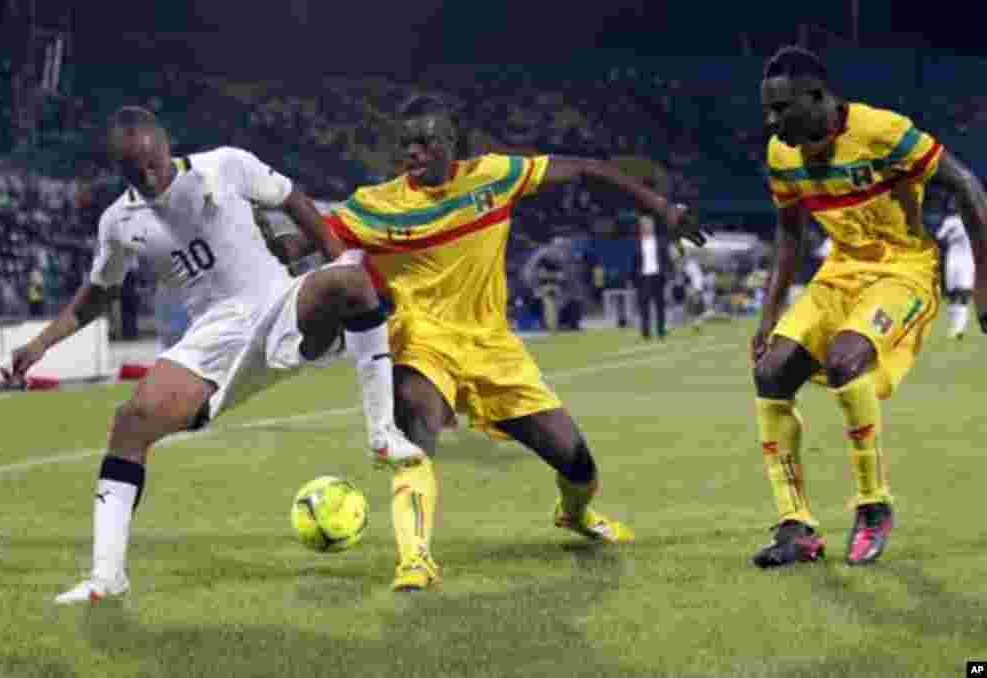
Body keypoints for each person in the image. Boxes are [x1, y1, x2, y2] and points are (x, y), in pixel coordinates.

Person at [2, 107, 424, 604]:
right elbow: (98, 294)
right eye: (135, 172)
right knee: (130, 423)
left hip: (279, 305)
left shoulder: (224, 165)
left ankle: (381, 434)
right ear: (120, 171)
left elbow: (294, 199)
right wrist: (39, 344)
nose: (149, 176)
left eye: (153, 163)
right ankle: (106, 576)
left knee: (353, 279)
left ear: (166, 146)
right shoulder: (119, 222)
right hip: (213, 340)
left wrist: (334, 257)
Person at [327, 95, 709, 591]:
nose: (414, 151)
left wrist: (662, 208)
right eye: (406, 144)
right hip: (421, 340)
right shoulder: (375, 206)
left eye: (426, 141)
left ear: (452, 145)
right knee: (415, 431)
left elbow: (589, 170)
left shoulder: (495, 176)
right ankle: (414, 559)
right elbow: (311, 237)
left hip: (494, 349)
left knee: (577, 463)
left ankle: (574, 514)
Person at [752, 46, 987, 569]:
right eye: (768, 110)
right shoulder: (781, 153)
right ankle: (796, 527)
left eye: (782, 109)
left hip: (903, 270)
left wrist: (983, 287)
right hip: (839, 273)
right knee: (770, 373)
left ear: (817, 97)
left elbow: (969, 188)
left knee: (845, 359)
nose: (772, 122)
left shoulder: (884, 132)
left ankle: (873, 505)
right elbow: (788, 236)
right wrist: (767, 319)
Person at [631, 213, 674, 340]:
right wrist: (634, 278)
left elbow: (667, 259)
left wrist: (668, 273)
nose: (647, 227)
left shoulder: (660, 241)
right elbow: (634, 262)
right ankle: (646, 333)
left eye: (649, 225)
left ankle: (661, 332)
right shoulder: (637, 243)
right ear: (641, 227)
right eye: (644, 225)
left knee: (660, 306)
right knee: (644, 306)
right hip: (643, 277)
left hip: (658, 276)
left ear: (653, 226)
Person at [936, 207, 976, 339]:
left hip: (967, 261)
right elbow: (939, 236)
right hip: (953, 260)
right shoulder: (950, 221)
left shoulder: (974, 222)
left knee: (964, 295)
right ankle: (954, 326)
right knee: (953, 296)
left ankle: (960, 329)